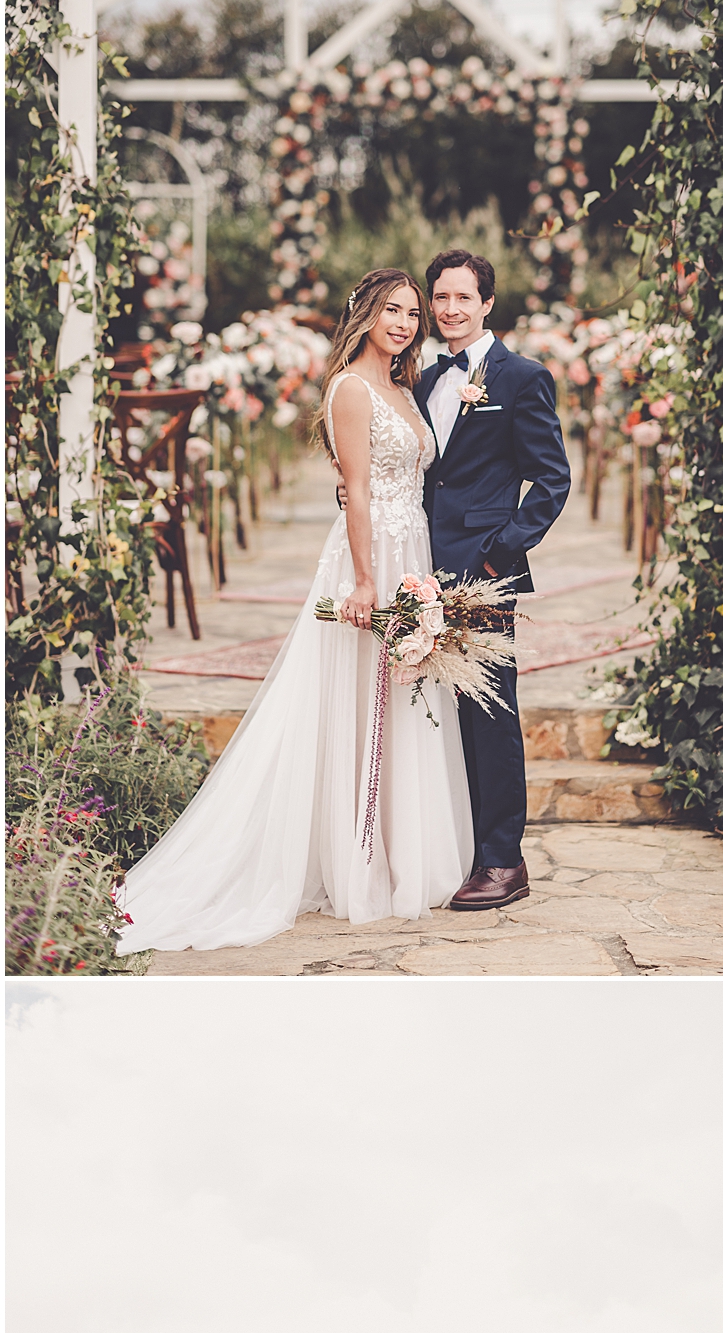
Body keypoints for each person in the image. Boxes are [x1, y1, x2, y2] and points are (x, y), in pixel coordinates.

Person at [118, 269, 473, 952]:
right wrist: (367, 582)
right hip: (370, 558)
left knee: (405, 702)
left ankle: (406, 853)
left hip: (414, 551)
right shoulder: (350, 388)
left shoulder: (406, 385)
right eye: (391, 310)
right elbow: (358, 491)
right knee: (360, 703)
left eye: (412, 313)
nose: (404, 322)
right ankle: (356, 862)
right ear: (366, 313)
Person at [415, 249, 571, 913]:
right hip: (418, 565)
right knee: (430, 709)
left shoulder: (521, 376)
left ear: (486, 303)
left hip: (480, 571)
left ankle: (504, 859)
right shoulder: (421, 379)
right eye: (441, 298)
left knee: (489, 711)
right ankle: (449, 845)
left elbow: (552, 478)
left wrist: (498, 550)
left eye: (462, 298)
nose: (450, 309)